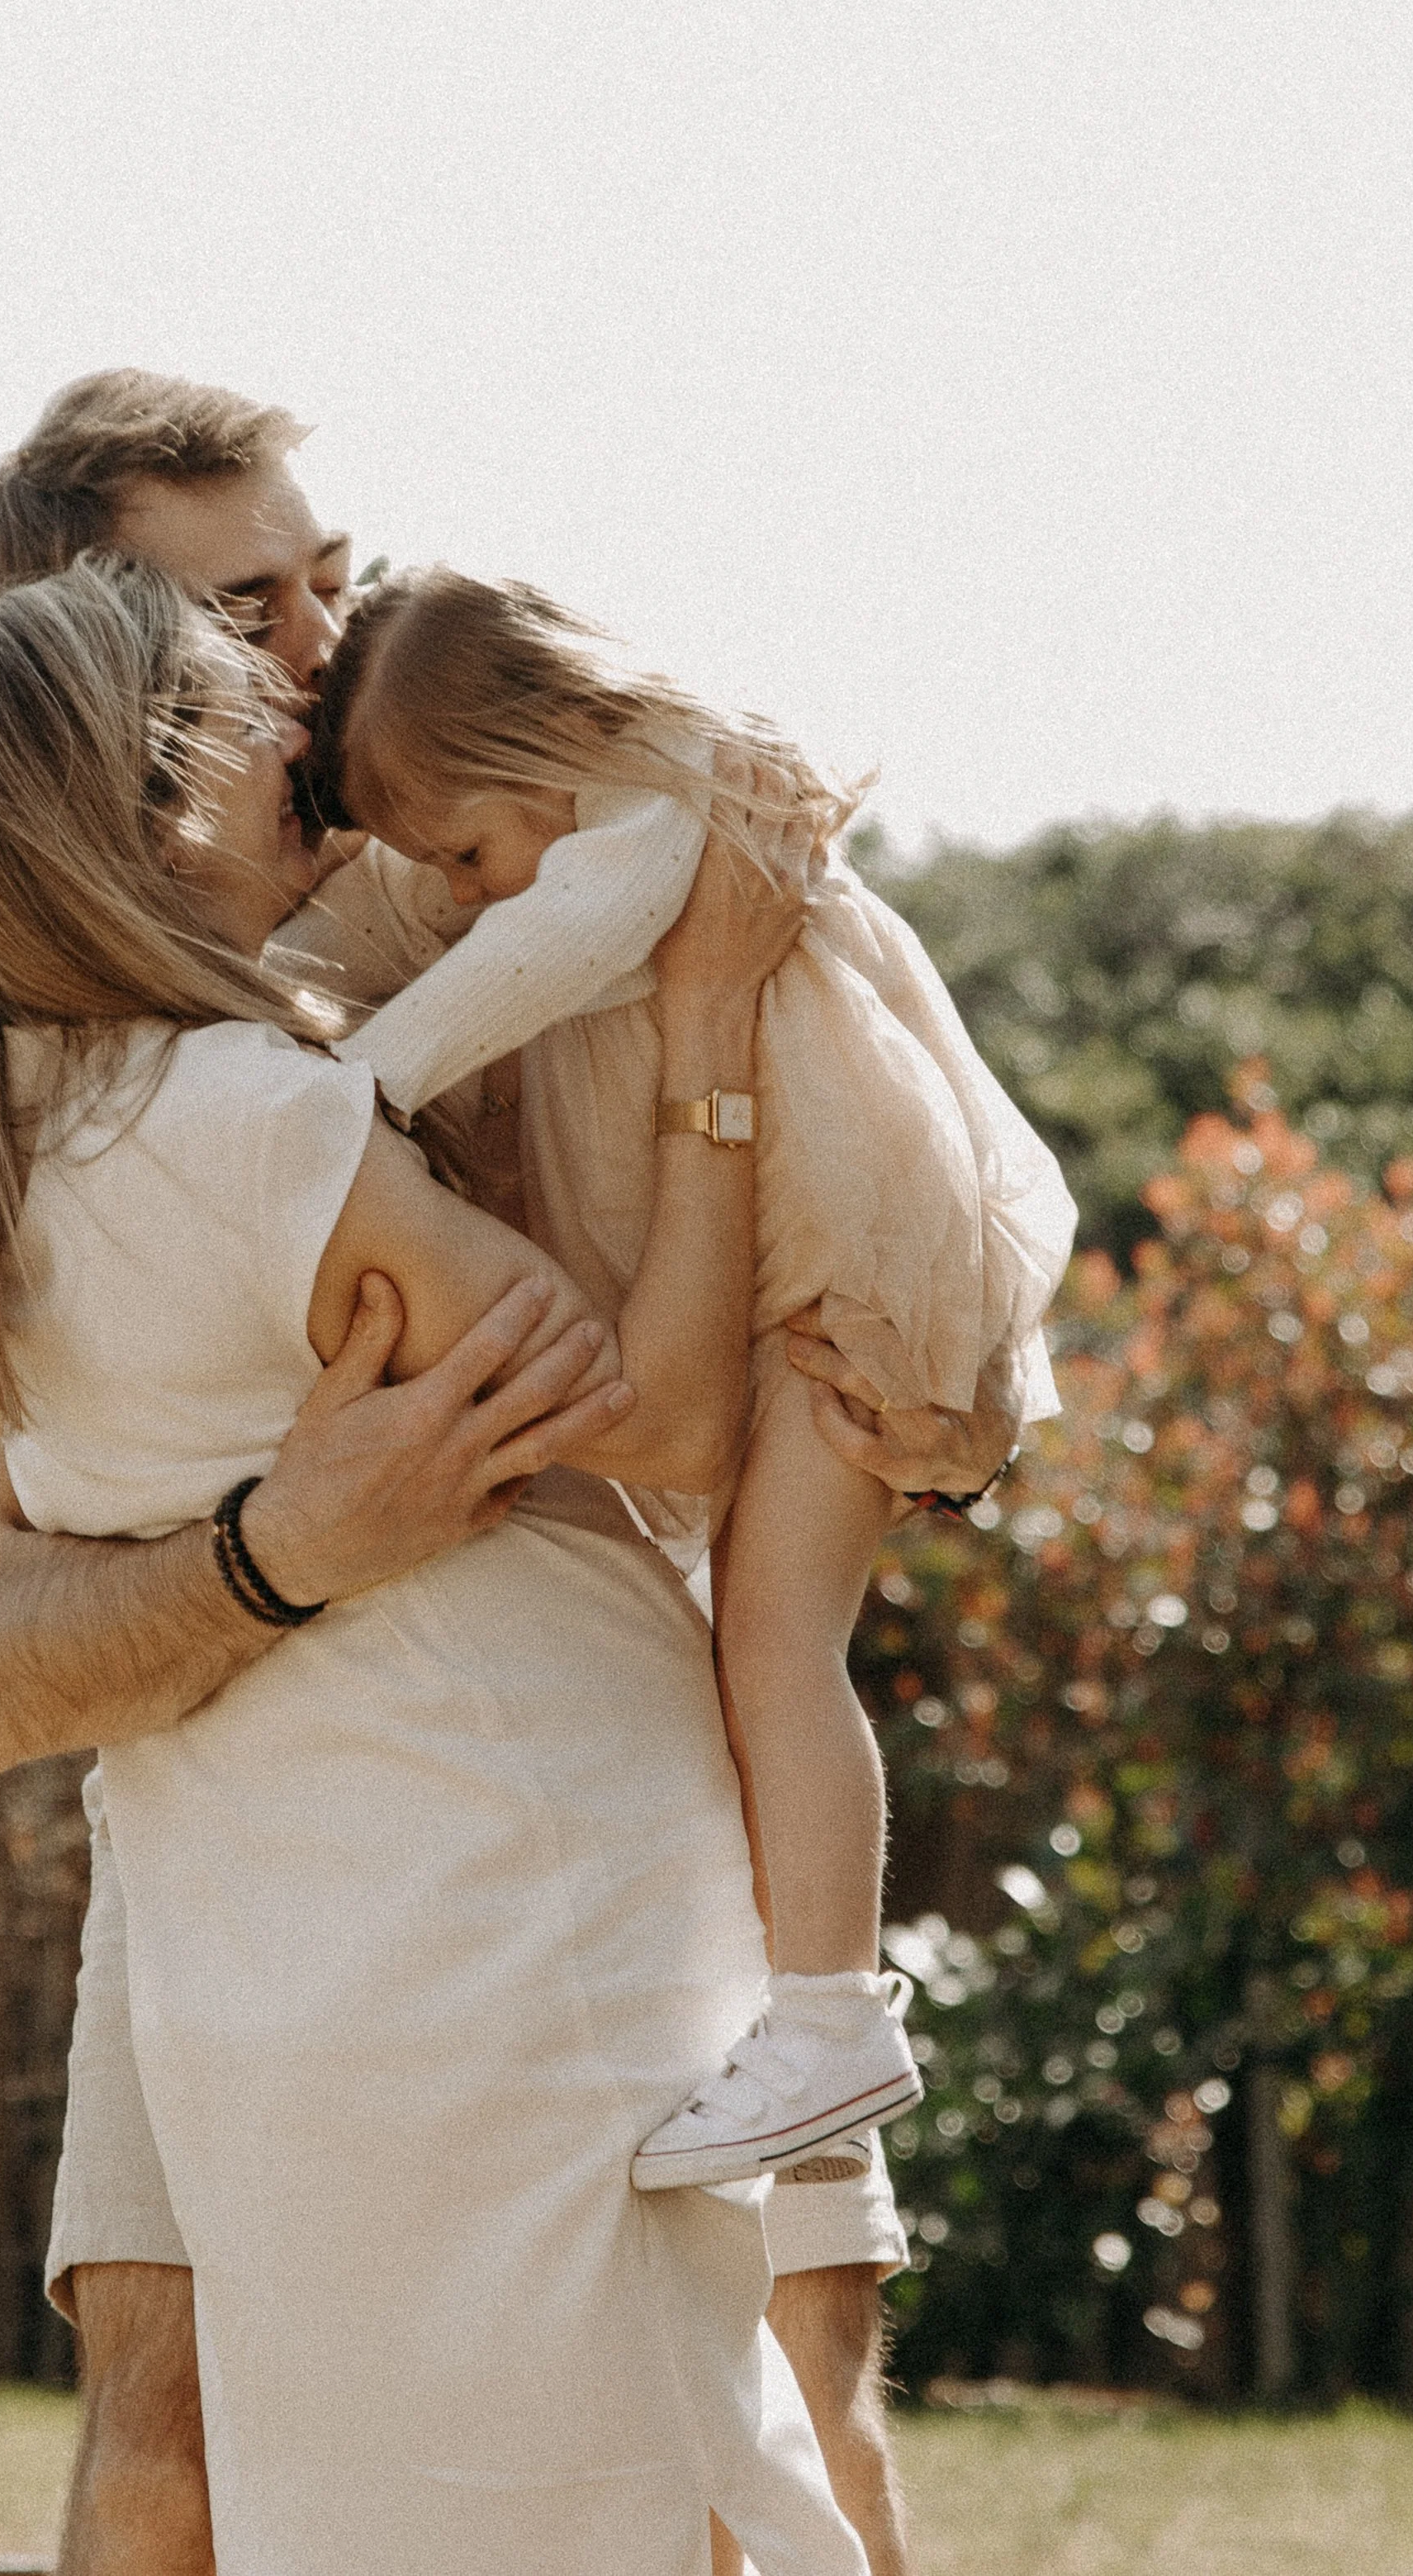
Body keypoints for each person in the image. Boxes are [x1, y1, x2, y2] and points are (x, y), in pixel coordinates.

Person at [0, 371, 1021, 2576]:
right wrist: (284, 1546)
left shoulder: (454, 835)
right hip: (254, 1826)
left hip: (605, 1709)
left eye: (326, 570)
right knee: (176, 2424)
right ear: (101, 666)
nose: (326, 639)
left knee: (791, 2392)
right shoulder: (11, 1083)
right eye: (252, 606)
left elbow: (763, 1131)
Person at [308, 567, 1076, 2188]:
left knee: (773, 1640)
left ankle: (829, 2020)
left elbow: (540, 954)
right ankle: (795, 2015)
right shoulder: (646, 791)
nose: (457, 900)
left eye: (463, 850)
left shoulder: (661, 818)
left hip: (842, 1289)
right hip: (845, 1264)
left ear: (542, 737)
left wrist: (333, 1098)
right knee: (762, 1633)